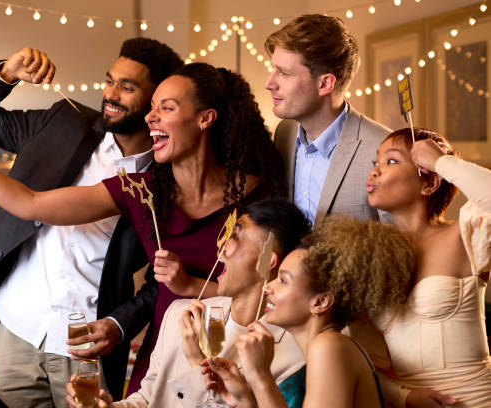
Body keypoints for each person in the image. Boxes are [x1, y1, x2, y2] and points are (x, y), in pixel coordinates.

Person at [0, 62, 286, 397]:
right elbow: (31, 204)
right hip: (165, 354)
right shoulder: (140, 190)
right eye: (152, 107)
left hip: (237, 351)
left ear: (205, 119)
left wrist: (189, 287)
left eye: (166, 109)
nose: (151, 118)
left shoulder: (259, 192)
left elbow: (268, 291)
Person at [0, 39, 183, 406]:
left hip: (88, 347)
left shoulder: (168, 179)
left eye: (127, 86)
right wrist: (7, 73)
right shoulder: (62, 122)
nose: (111, 94)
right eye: (110, 81)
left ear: (157, 100)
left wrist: (120, 324)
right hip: (18, 329)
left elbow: (164, 277)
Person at [66, 198, 310, 408]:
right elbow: (147, 398)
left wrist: (197, 363)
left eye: (235, 236)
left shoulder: (292, 357)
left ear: (269, 261)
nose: (220, 247)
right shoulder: (179, 314)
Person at [206, 216, 414, 408]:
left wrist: (260, 376)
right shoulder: (325, 349)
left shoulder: (329, 347)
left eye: (283, 280)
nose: (267, 287)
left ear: (321, 302)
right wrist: (243, 398)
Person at [364, 128, 491, 407]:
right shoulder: (370, 256)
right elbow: (358, 357)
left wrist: (440, 162)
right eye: (376, 162)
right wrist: (403, 396)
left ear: (429, 183)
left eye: (392, 161)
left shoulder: (462, 235)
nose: (375, 171)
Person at [265, 14, 391, 226]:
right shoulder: (283, 133)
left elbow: (400, 246)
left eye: (284, 73)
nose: (269, 83)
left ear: (325, 84)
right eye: (273, 69)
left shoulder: (384, 148)